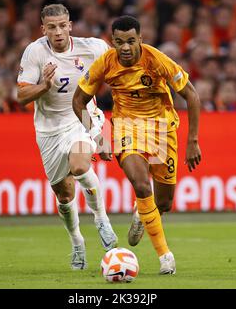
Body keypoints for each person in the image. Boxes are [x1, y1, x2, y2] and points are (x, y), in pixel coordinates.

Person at [72, 15, 202, 275]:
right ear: (113, 42)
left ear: (140, 39)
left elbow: (192, 95)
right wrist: (97, 134)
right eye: (119, 42)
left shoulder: (156, 59)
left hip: (163, 130)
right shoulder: (106, 63)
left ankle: (141, 213)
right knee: (142, 185)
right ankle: (165, 256)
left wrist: (193, 141)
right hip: (125, 129)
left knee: (163, 204)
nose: (126, 48)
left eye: (131, 41)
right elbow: (78, 101)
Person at [16, 4, 118, 270]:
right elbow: (21, 97)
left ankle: (101, 219)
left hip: (81, 117)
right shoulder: (35, 52)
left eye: (62, 25)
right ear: (43, 29)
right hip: (48, 129)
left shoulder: (93, 47)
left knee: (81, 166)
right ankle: (76, 242)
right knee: (64, 195)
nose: (58, 32)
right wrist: (44, 86)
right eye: (52, 27)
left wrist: (104, 133)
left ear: (70, 25)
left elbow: (121, 68)